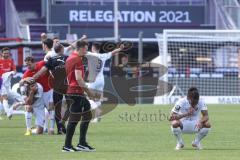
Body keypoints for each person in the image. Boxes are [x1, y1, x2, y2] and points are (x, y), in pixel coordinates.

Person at [62, 40, 99, 152]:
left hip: (73, 91)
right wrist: (89, 93)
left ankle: (81, 143)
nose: (86, 51)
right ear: (81, 48)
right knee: (74, 119)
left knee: (87, 115)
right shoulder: (77, 59)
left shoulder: (69, 58)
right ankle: (67, 146)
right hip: (75, 92)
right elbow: (78, 78)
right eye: (85, 48)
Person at [33, 43, 68, 134]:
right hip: (67, 85)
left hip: (57, 86)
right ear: (61, 50)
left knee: (57, 108)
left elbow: (42, 71)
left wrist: (33, 78)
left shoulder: (51, 60)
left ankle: (60, 128)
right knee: (71, 106)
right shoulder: (68, 58)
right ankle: (64, 126)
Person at [85, 42, 124, 122]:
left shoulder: (89, 54)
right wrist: (120, 49)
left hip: (93, 80)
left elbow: (80, 51)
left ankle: (96, 114)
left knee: (88, 98)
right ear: (99, 49)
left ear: (93, 48)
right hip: (101, 80)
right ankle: (98, 117)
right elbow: (113, 52)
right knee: (98, 99)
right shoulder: (103, 56)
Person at [20, 57, 55, 134]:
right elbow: (21, 83)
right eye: (26, 65)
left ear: (33, 62)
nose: (28, 67)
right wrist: (24, 80)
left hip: (48, 90)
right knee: (39, 131)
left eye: (29, 64)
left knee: (51, 108)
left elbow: (51, 63)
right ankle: (31, 129)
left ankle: (52, 129)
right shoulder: (27, 73)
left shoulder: (42, 63)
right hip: (39, 96)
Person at [0, 47, 17, 117]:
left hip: (7, 83)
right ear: (2, 53)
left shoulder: (11, 61)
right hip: (0, 81)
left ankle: (7, 111)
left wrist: (12, 73)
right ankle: (8, 112)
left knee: (3, 98)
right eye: (5, 53)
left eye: (7, 53)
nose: (6, 54)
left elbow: (15, 71)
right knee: (4, 97)